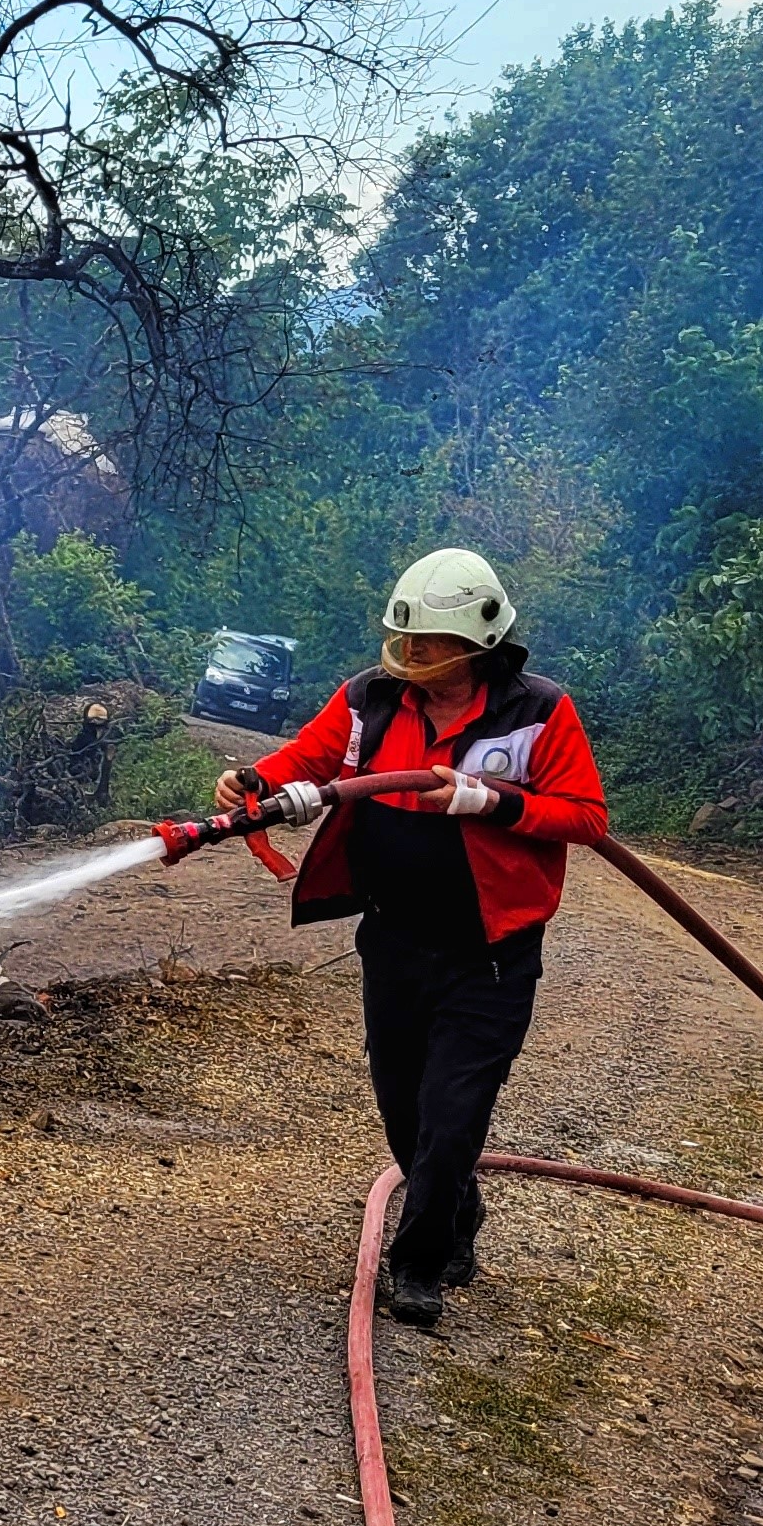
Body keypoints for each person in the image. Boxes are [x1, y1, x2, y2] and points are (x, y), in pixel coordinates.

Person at [214, 548, 610, 1327]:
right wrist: (256, 781)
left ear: (477, 641)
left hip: (489, 955)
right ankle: (455, 1210)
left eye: (430, 642)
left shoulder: (536, 712)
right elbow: (308, 756)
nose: (412, 655)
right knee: (402, 1108)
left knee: (451, 1111)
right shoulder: (369, 697)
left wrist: (489, 800)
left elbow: (586, 818)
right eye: (406, 639)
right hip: (393, 940)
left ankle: (418, 1264)